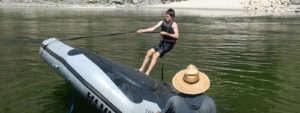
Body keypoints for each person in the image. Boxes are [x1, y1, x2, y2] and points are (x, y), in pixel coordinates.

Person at [137, 8, 179, 76]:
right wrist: (142, 30)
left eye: (168, 16)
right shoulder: (162, 22)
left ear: (172, 17)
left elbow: (177, 36)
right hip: (163, 42)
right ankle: (141, 69)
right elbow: (153, 28)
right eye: (166, 16)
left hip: (169, 44)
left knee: (155, 55)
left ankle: (147, 73)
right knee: (149, 52)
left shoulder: (174, 24)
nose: (166, 17)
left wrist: (166, 34)